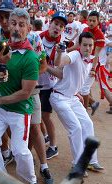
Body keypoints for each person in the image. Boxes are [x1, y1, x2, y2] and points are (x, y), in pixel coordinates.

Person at [0, 8, 39, 184]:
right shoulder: (3, 46)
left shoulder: (30, 57)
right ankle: (3, 181)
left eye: (21, 25)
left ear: (28, 29)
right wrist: (0, 65)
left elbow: (25, 93)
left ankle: (30, 182)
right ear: (8, 25)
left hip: (19, 110)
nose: (16, 28)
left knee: (20, 151)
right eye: (13, 23)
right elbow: (0, 76)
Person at [49, 32, 104, 172]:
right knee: (76, 128)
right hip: (59, 97)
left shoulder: (90, 59)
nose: (87, 48)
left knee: (87, 123)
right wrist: (60, 53)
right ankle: (78, 164)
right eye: (84, 45)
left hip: (72, 98)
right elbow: (60, 62)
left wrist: (77, 92)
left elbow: (74, 79)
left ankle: (91, 161)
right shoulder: (75, 55)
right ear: (79, 45)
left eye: (90, 45)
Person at [39, 10, 67, 160]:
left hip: (49, 86)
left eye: (61, 26)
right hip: (35, 84)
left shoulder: (61, 46)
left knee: (46, 116)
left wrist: (45, 65)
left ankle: (53, 146)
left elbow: (59, 70)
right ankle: (44, 136)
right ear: (50, 23)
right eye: (56, 23)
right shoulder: (38, 37)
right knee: (35, 116)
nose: (57, 27)